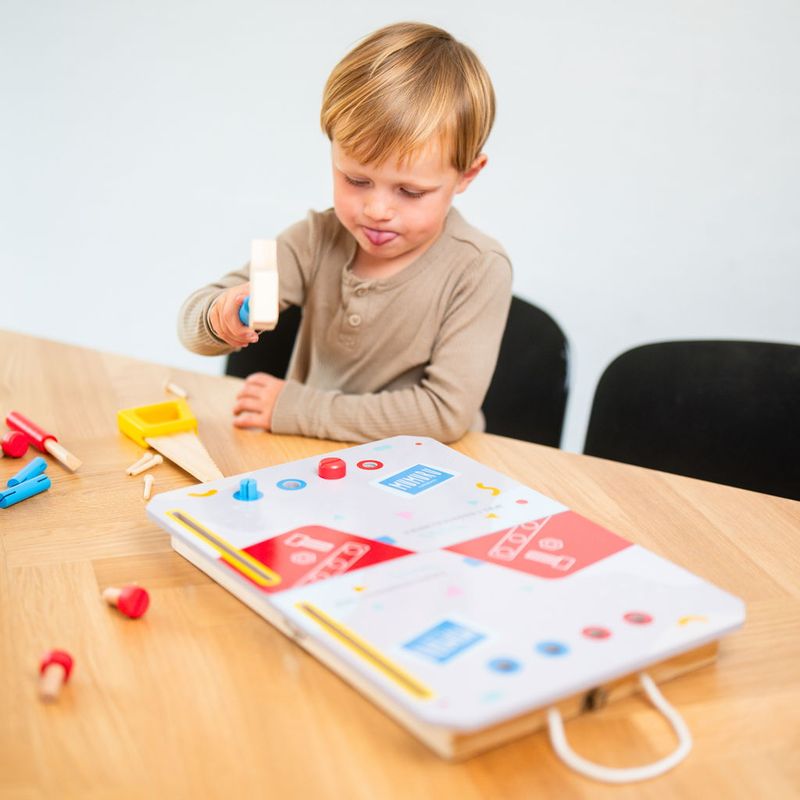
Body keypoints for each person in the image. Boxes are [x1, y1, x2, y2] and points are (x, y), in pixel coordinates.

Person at [178, 22, 512, 443]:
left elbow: (443, 414)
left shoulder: (479, 269)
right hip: (309, 461)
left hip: (423, 475)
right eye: (355, 180)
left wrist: (299, 408)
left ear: (467, 174)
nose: (376, 211)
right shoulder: (317, 239)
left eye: (410, 191)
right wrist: (219, 316)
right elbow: (193, 326)